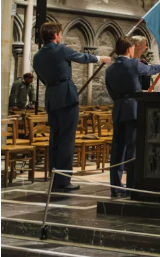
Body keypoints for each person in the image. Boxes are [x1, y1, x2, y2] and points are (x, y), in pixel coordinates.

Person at [33, 22, 111, 192]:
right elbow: (81, 57)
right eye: (60, 34)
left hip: (51, 96)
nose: (61, 37)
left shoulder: (37, 56)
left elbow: (42, 78)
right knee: (67, 139)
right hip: (66, 96)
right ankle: (63, 181)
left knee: (55, 139)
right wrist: (100, 58)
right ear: (55, 35)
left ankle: (54, 177)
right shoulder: (60, 49)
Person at [106, 36, 160, 197]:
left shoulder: (110, 69)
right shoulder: (133, 64)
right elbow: (148, 70)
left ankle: (115, 187)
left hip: (118, 109)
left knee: (117, 150)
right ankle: (132, 185)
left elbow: (111, 91)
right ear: (129, 49)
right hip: (133, 108)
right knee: (132, 149)